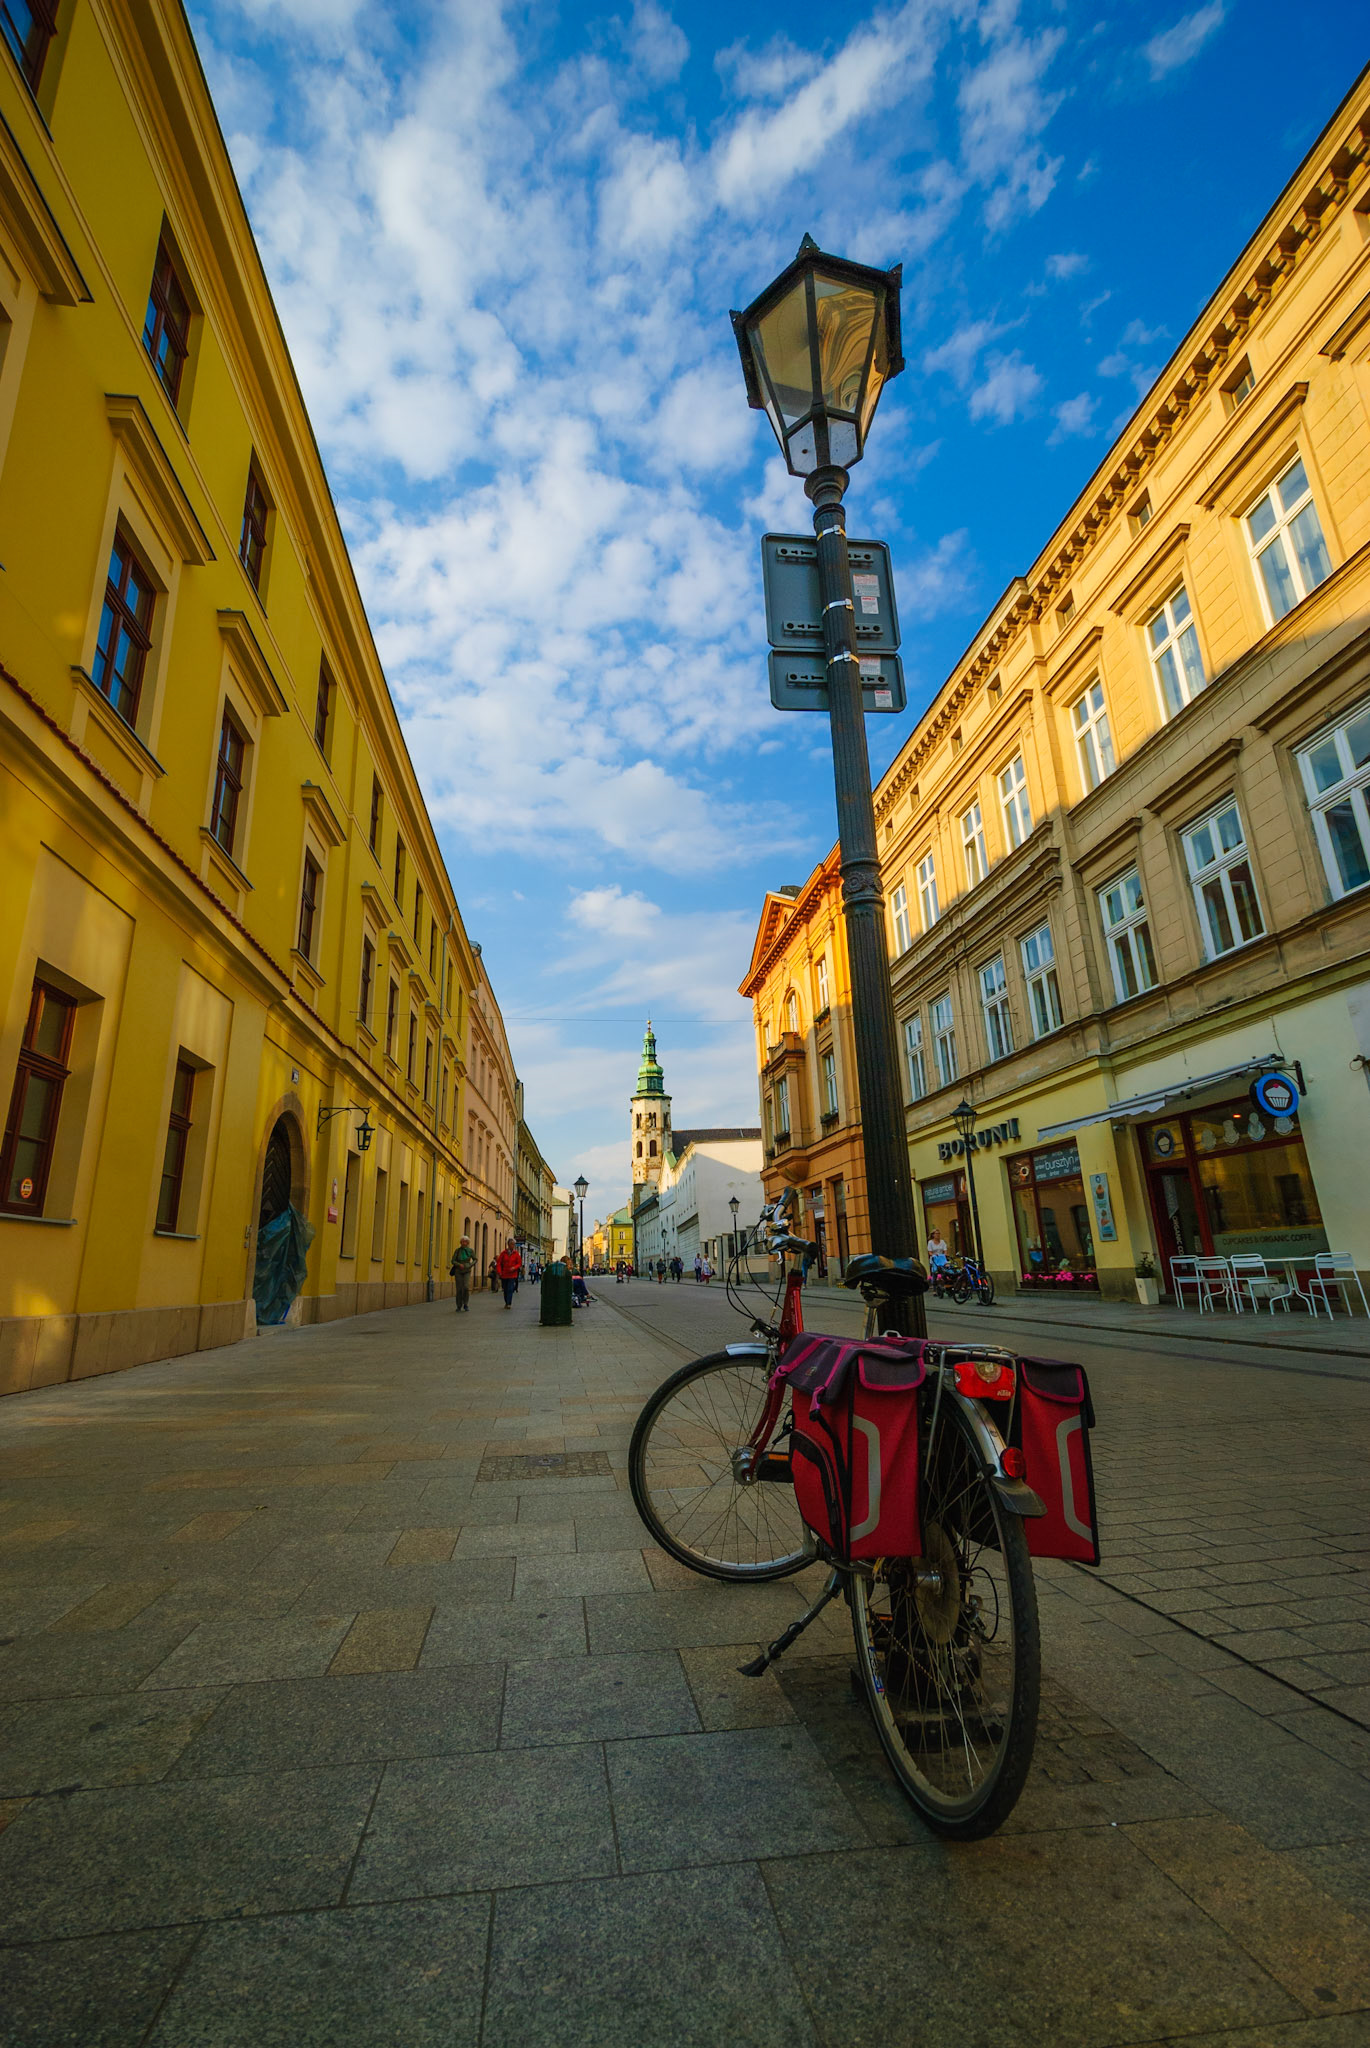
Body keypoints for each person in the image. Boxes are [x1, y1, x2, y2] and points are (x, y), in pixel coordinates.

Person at [449, 1235, 475, 1312]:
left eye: (465, 1242)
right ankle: (459, 1305)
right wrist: (458, 1264)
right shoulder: (457, 1251)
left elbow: (475, 1259)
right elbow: (453, 1261)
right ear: (461, 1242)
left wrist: (470, 1264)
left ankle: (466, 1303)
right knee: (459, 1288)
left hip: (467, 1270)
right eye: (462, 1241)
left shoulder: (470, 1251)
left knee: (466, 1287)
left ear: (468, 1243)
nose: (464, 1243)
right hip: (458, 1271)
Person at [495, 1237, 522, 1309]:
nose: (513, 1246)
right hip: (504, 1274)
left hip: (512, 1274)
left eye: (514, 1244)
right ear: (508, 1245)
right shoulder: (503, 1253)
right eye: (511, 1244)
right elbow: (499, 1263)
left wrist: (514, 1267)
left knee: (510, 1289)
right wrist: (499, 1271)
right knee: (505, 1289)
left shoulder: (516, 1254)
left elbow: (519, 1263)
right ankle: (506, 1301)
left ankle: (508, 1303)